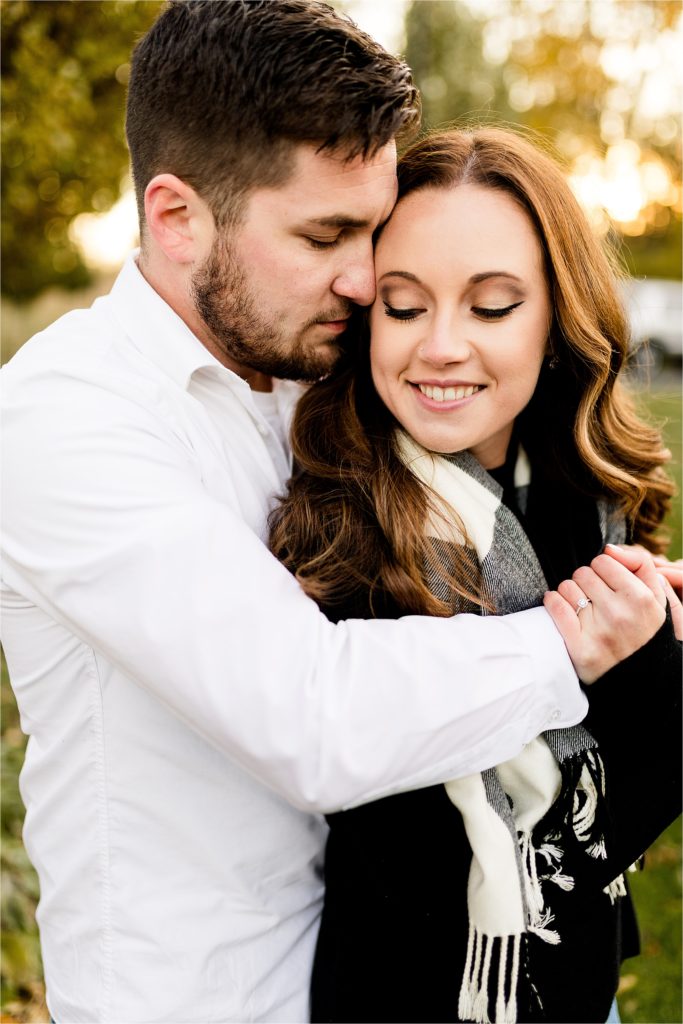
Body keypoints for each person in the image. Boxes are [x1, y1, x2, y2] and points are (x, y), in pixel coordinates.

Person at [269, 127, 682, 1024]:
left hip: (581, 991)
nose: (440, 347)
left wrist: (653, 632)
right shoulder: (336, 524)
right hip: (410, 995)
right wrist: (628, 669)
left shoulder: (583, 489)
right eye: (404, 305)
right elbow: (419, 864)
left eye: (490, 307)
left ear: (556, 318)